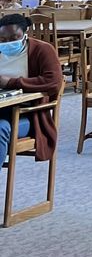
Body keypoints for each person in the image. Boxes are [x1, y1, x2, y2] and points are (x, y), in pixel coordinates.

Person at [0, 13, 63, 171]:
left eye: (14, 37)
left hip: (28, 114)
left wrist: (12, 82)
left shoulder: (42, 50)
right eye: (2, 40)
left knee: (0, 128)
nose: (8, 42)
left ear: (25, 34)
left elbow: (54, 82)